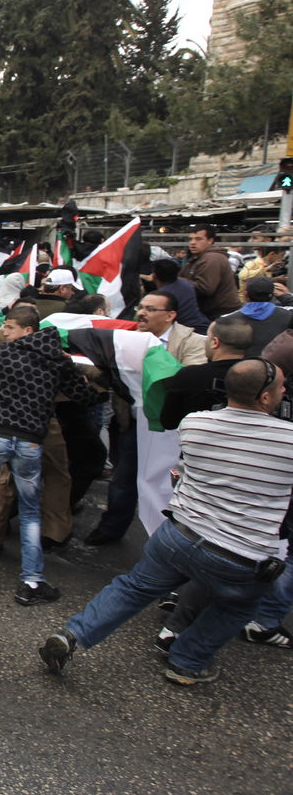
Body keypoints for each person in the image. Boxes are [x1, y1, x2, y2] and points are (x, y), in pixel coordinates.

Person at [40, 359, 293, 685]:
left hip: (181, 535)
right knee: (237, 608)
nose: (284, 390)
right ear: (265, 398)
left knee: (133, 588)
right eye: (280, 387)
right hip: (242, 555)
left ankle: (73, 634)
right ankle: (188, 661)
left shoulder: (196, 424)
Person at [0, 307, 106, 604]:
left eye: (9, 327)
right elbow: (84, 396)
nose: (5, 332)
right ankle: (32, 581)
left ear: (28, 330)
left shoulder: (8, 353)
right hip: (30, 443)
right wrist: (95, 386)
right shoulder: (58, 361)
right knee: (31, 510)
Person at [85, 291, 207, 546]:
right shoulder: (127, 338)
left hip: (169, 428)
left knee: (167, 483)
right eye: (140, 307)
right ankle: (111, 529)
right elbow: (106, 374)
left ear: (170, 315)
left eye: (151, 309)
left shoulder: (192, 341)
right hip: (131, 423)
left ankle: (168, 539)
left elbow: (190, 379)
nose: (142, 313)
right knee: (123, 478)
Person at [158, 314, 252, 429]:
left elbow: (168, 422)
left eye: (207, 337)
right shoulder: (260, 376)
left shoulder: (189, 376)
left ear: (215, 342)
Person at [179, 225, 240, 323]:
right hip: (211, 312)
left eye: (198, 239)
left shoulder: (212, 259)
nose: (193, 243)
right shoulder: (198, 257)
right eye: (190, 239)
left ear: (210, 240)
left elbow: (205, 288)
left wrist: (177, 281)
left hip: (218, 313)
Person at [231, 275, 291, 357]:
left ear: (245, 295)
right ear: (273, 295)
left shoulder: (227, 320)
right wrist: (287, 296)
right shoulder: (289, 316)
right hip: (277, 367)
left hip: (242, 366)